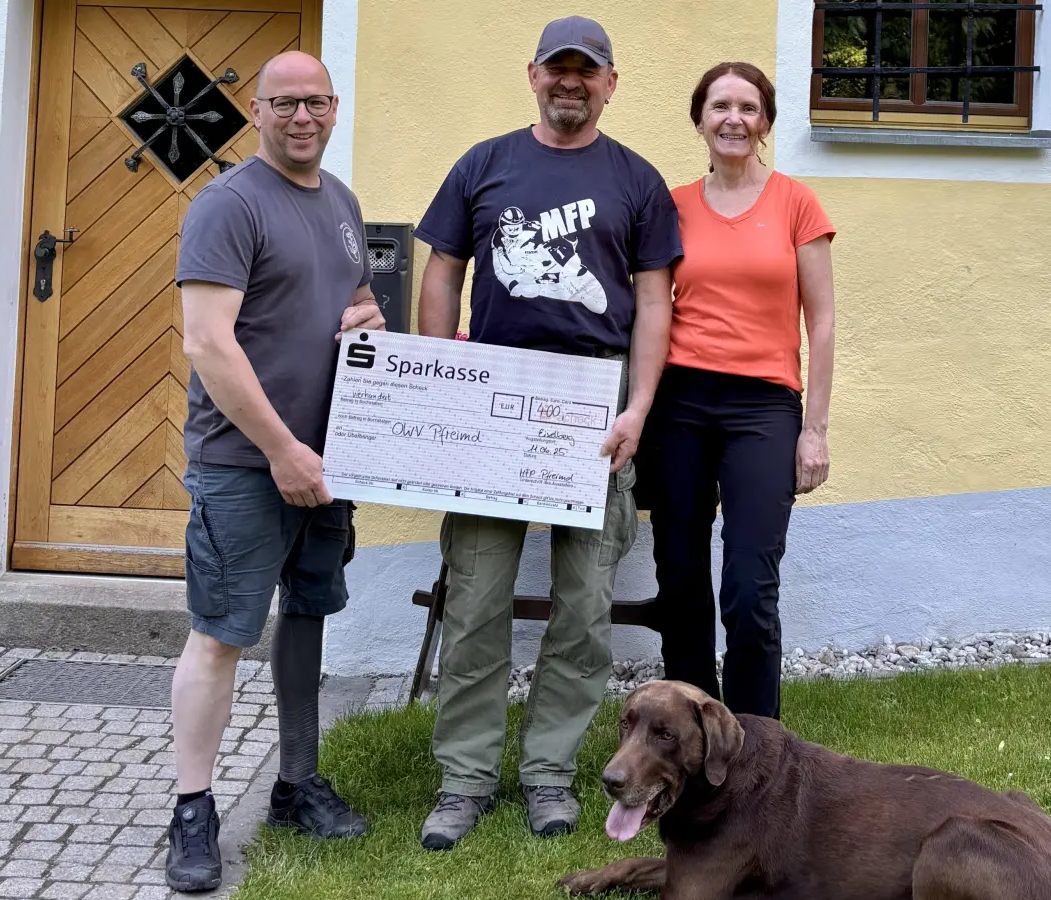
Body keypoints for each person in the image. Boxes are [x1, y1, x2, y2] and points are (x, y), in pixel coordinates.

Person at [411, 15, 682, 851]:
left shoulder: (637, 180)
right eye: (557, 69)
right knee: (478, 604)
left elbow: (654, 302)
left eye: (586, 71)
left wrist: (637, 408)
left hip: (591, 419)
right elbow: (443, 269)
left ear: (610, 83)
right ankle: (463, 780)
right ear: (532, 74)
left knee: (582, 613)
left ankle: (551, 777)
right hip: (492, 415)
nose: (571, 82)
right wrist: (435, 380)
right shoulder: (483, 164)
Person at [165, 50, 384, 892]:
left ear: (335, 108)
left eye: (317, 102)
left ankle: (296, 784)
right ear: (255, 110)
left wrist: (364, 314)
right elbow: (208, 343)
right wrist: (281, 451)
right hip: (247, 465)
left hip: (328, 461)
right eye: (285, 103)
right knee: (221, 634)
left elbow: (347, 300)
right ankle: (193, 810)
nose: (303, 117)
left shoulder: (340, 202)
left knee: (308, 616)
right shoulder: (226, 205)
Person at [641, 61, 835, 721]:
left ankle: (757, 746)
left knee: (750, 590)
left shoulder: (796, 203)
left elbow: (824, 322)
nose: (733, 118)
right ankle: (691, 737)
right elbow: (650, 306)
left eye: (748, 107)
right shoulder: (672, 206)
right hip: (682, 402)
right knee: (682, 578)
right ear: (700, 119)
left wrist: (816, 430)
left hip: (764, 406)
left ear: (766, 122)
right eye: (720, 106)